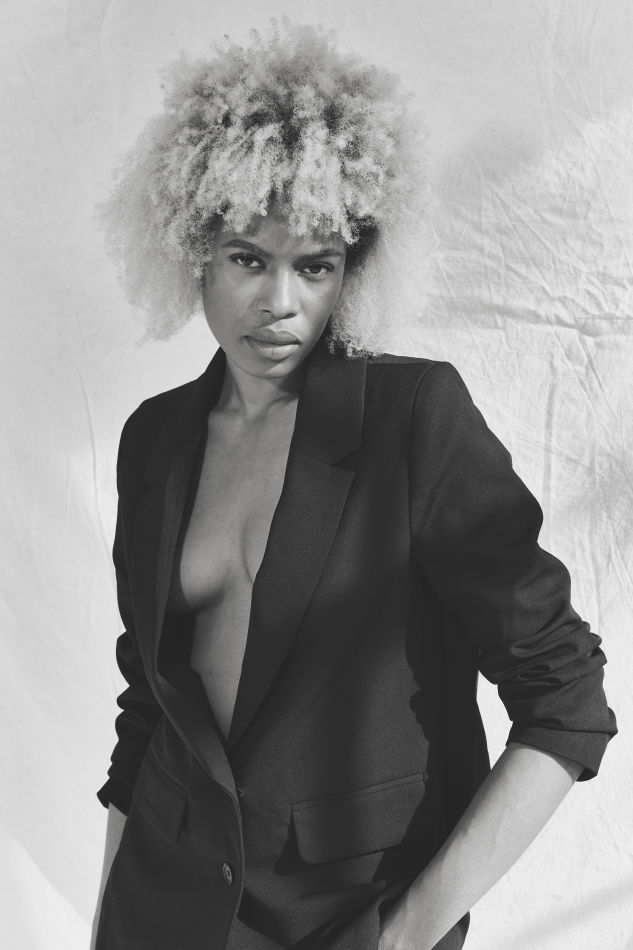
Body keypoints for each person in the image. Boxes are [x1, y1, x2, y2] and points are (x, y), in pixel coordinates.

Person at [91, 22, 617, 950]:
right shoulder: (155, 441)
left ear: (352, 271)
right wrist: (107, 922)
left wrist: (406, 933)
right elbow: (149, 710)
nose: (279, 303)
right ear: (191, 249)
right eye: (247, 258)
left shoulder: (411, 418)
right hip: (164, 907)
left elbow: (564, 700)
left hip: (347, 917)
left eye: (315, 265)